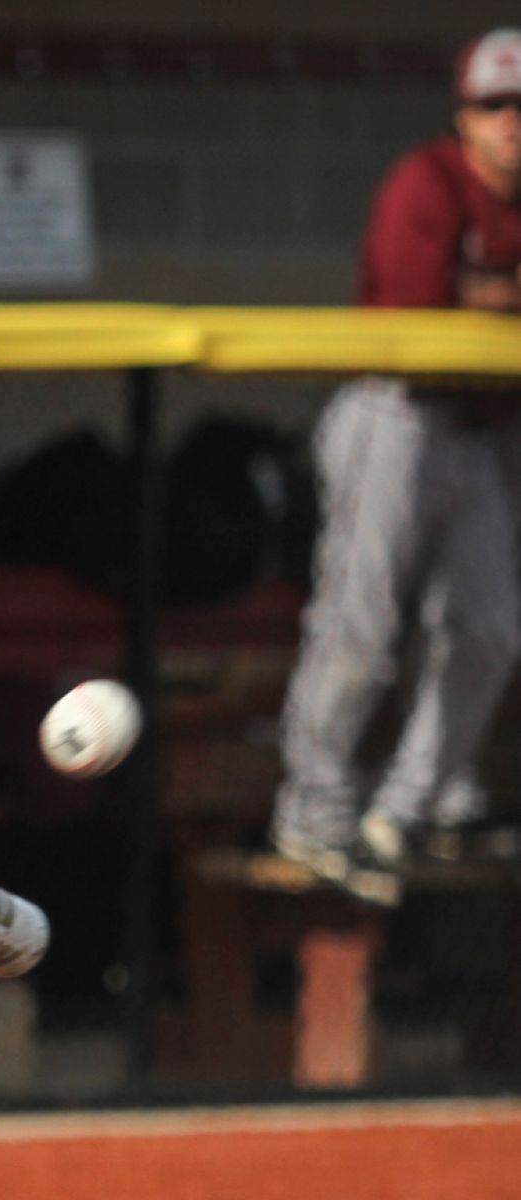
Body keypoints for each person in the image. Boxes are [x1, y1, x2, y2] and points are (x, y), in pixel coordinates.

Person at [271, 27, 521, 902]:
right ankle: (315, 812)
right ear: (465, 114)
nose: (512, 123)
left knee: (493, 628)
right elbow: (420, 309)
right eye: (496, 105)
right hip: (394, 415)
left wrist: (487, 296)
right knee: (362, 626)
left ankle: (410, 807)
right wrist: (487, 299)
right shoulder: (428, 181)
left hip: (480, 431)